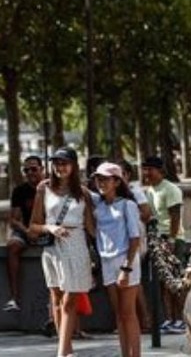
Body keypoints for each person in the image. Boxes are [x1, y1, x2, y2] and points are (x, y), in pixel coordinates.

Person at [28, 147, 96, 357]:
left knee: (69, 300)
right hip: (52, 247)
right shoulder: (44, 188)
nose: (60, 167)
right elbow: (33, 227)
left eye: (64, 163)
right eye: (56, 163)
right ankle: (66, 350)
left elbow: (91, 227)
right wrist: (50, 227)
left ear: (74, 165)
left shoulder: (83, 193)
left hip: (76, 245)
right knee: (57, 300)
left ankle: (61, 353)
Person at [90, 162, 142, 357]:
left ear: (117, 182)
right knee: (119, 314)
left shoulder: (128, 205)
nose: (101, 183)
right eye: (98, 179)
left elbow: (135, 238)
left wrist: (126, 269)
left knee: (128, 313)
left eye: (105, 179)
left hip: (125, 259)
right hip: (106, 261)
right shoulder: (99, 206)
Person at [141, 155, 185, 334]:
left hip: (171, 239)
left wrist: (172, 240)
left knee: (173, 281)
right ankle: (169, 319)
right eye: (145, 169)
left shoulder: (171, 189)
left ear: (160, 171)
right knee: (161, 283)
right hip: (157, 240)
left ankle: (180, 319)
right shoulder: (149, 191)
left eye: (150, 169)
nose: (146, 173)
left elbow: (175, 216)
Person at [4, 154, 46, 312]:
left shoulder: (51, 188)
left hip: (47, 230)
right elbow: (14, 220)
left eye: (33, 169)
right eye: (26, 170)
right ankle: (14, 298)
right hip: (27, 230)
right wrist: (27, 231)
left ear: (42, 169)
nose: (30, 173)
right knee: (13, 245)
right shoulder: (19, 191)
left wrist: (40, 231)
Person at [120, 159, 154, 332]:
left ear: (127, 175)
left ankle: (145, 319)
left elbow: (147, 213)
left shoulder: (134, 191)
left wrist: (129, 215)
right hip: (120, 242)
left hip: (134, 240)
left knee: (134, 281)